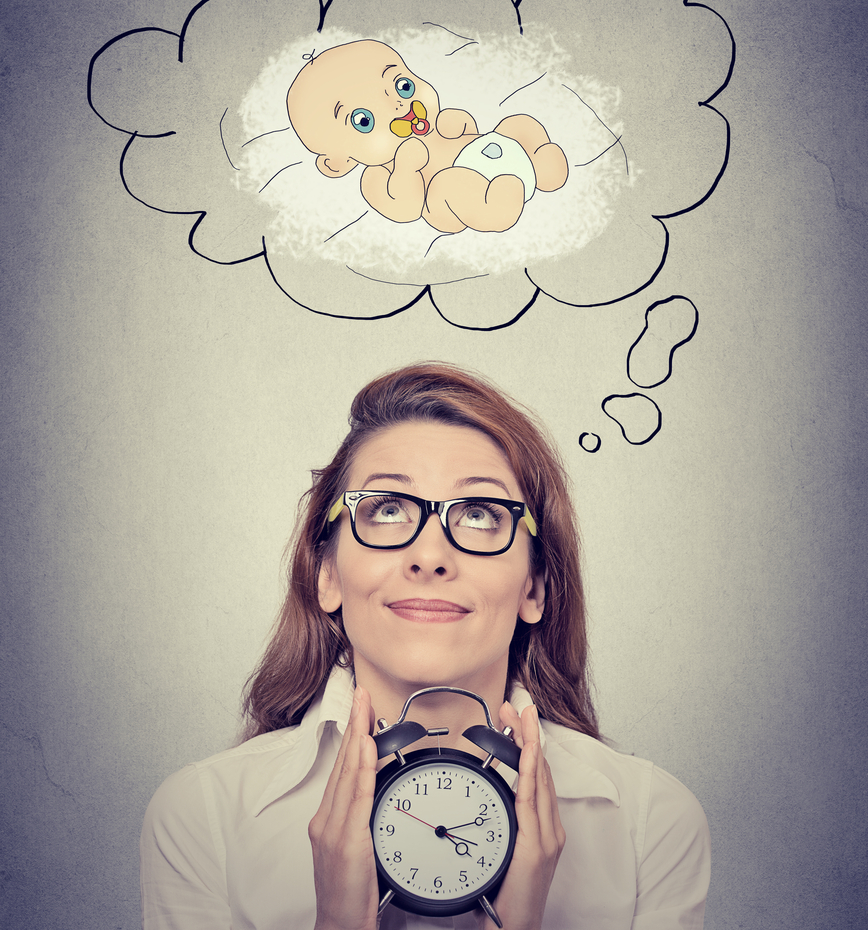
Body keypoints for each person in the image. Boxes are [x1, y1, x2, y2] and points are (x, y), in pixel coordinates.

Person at [140, 363, 710, 929]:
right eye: (388, 509)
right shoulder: (203, 815)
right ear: (328, 575)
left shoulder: (649, 822)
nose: (430, 555)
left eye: (480, 514)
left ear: (533, 586)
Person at [286, 40, 569, 234]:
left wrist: (460, 125)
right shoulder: (376, 178)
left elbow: (470, 131)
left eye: (403, 85)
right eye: (364, 120)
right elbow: (406, 209)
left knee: (516, 125)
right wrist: (406, 169)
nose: (397, 106)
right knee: (447, 184)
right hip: (446, 198)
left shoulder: (433, 124)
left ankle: (542, 164)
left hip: (491, 151)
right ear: (337, 162)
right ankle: (494, 208)